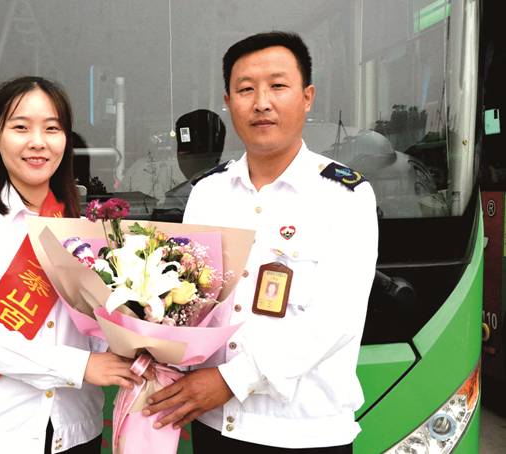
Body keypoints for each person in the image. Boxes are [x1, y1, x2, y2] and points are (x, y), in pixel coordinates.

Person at [143, 32, 378, 453]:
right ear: (229, 101)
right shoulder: (208, 193)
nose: (262, 102)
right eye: (246, 89)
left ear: (307, 97)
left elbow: (335, 318)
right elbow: (190, 298)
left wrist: (231, 380)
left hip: (303, 432)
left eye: (278, 86)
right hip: (215, 424)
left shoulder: (344, 196)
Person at [0, 76, 142, 454]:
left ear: (66, 140)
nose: (38, 142)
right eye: (21, 127)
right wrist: (81, 366)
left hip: (74, 431)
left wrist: (142, 333)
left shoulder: (89, 229)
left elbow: (97, 327)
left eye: (52, 128)